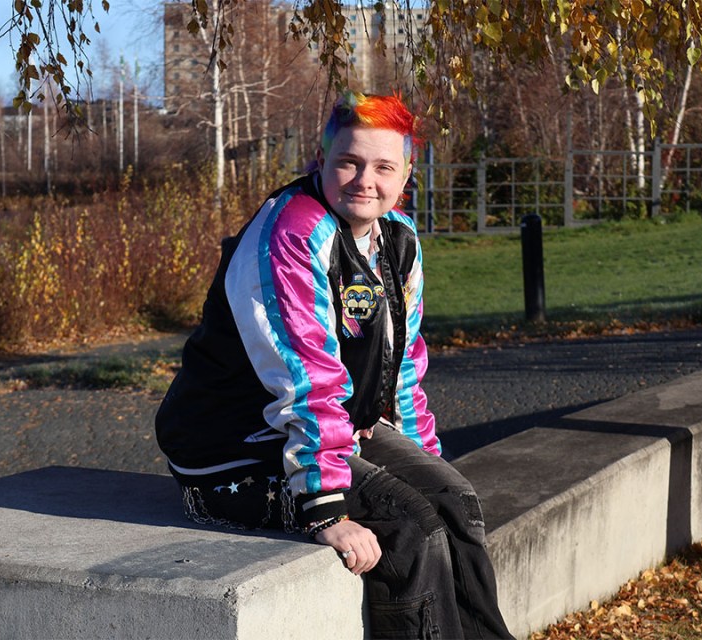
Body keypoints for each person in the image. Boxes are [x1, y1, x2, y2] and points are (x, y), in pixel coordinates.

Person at [155, 91, 514, 640]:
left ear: (406, 173)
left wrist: (424, 463)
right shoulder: (293, 234)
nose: (364, 179)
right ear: (319, 161)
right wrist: (326, 510)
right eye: (348, 161)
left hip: (330, 429)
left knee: (454, 504)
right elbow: (305, 377)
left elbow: (403, 369)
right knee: (409, 527)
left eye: (383, 166)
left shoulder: (398, 238)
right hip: (236, 448)